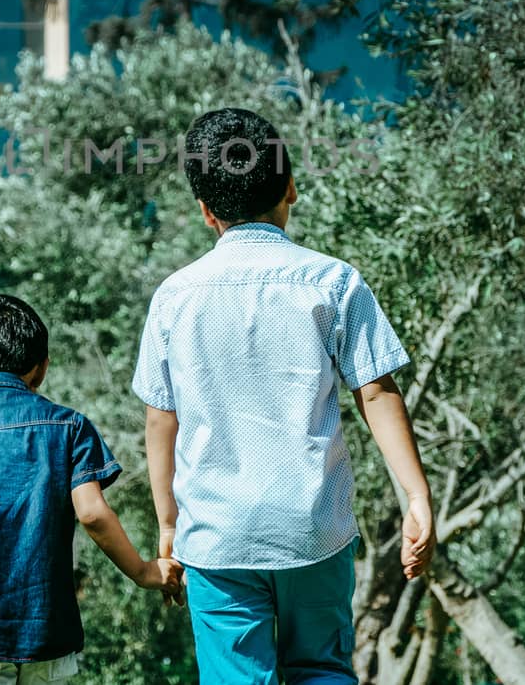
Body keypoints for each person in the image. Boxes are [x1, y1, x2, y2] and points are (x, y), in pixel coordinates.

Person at [133, 107, 436, 685]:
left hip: (216, 536)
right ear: (291, 187)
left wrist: (169, 528)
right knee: (321, 670)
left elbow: (159, 421)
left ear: (205, 211)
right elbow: (377, 391)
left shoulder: (174, 297)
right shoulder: (333, 281)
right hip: (312, 525)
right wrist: (415, 494)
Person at [0, 293, 182, 684]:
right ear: (41, 368)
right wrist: (143, 572)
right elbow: (92, 514)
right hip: (46, 628)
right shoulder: (69, 428)